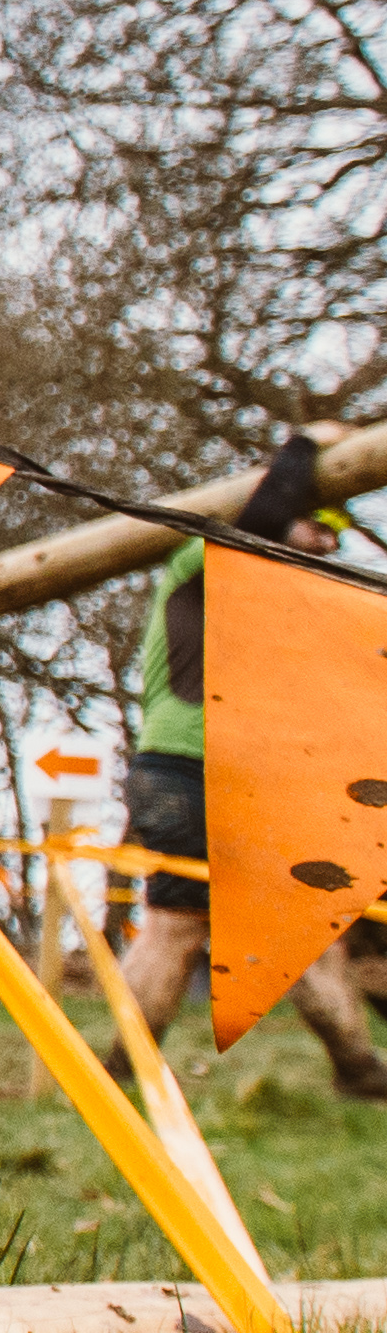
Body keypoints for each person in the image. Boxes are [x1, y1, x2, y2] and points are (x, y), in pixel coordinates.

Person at [109, 433, 387, 1098]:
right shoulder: (200, 558)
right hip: (184, 767)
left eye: (335, 532)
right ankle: (117, 1072)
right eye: (317, 524)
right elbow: (265, 515)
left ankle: (358, 1069)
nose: (326, 541)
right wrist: (308, 446)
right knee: (176, 923)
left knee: (303, 930)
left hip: (256, 778)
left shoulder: (294, 603)